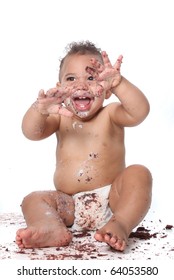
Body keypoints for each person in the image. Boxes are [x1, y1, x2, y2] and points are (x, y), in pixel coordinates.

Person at [16, 41, 152, 252]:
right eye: (71, 78)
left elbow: (139, 111)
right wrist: (39, 110)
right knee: (33, 199)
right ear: (59, 88)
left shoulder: (111, 114)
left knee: (139, 173)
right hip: (68, 204)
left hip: (112, 200)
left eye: (91, 78)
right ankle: (50, 227)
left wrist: (119, 83)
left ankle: (121, 224)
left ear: (106, 90)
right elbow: (30, 132)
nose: (81, 85)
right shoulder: (58, 118)